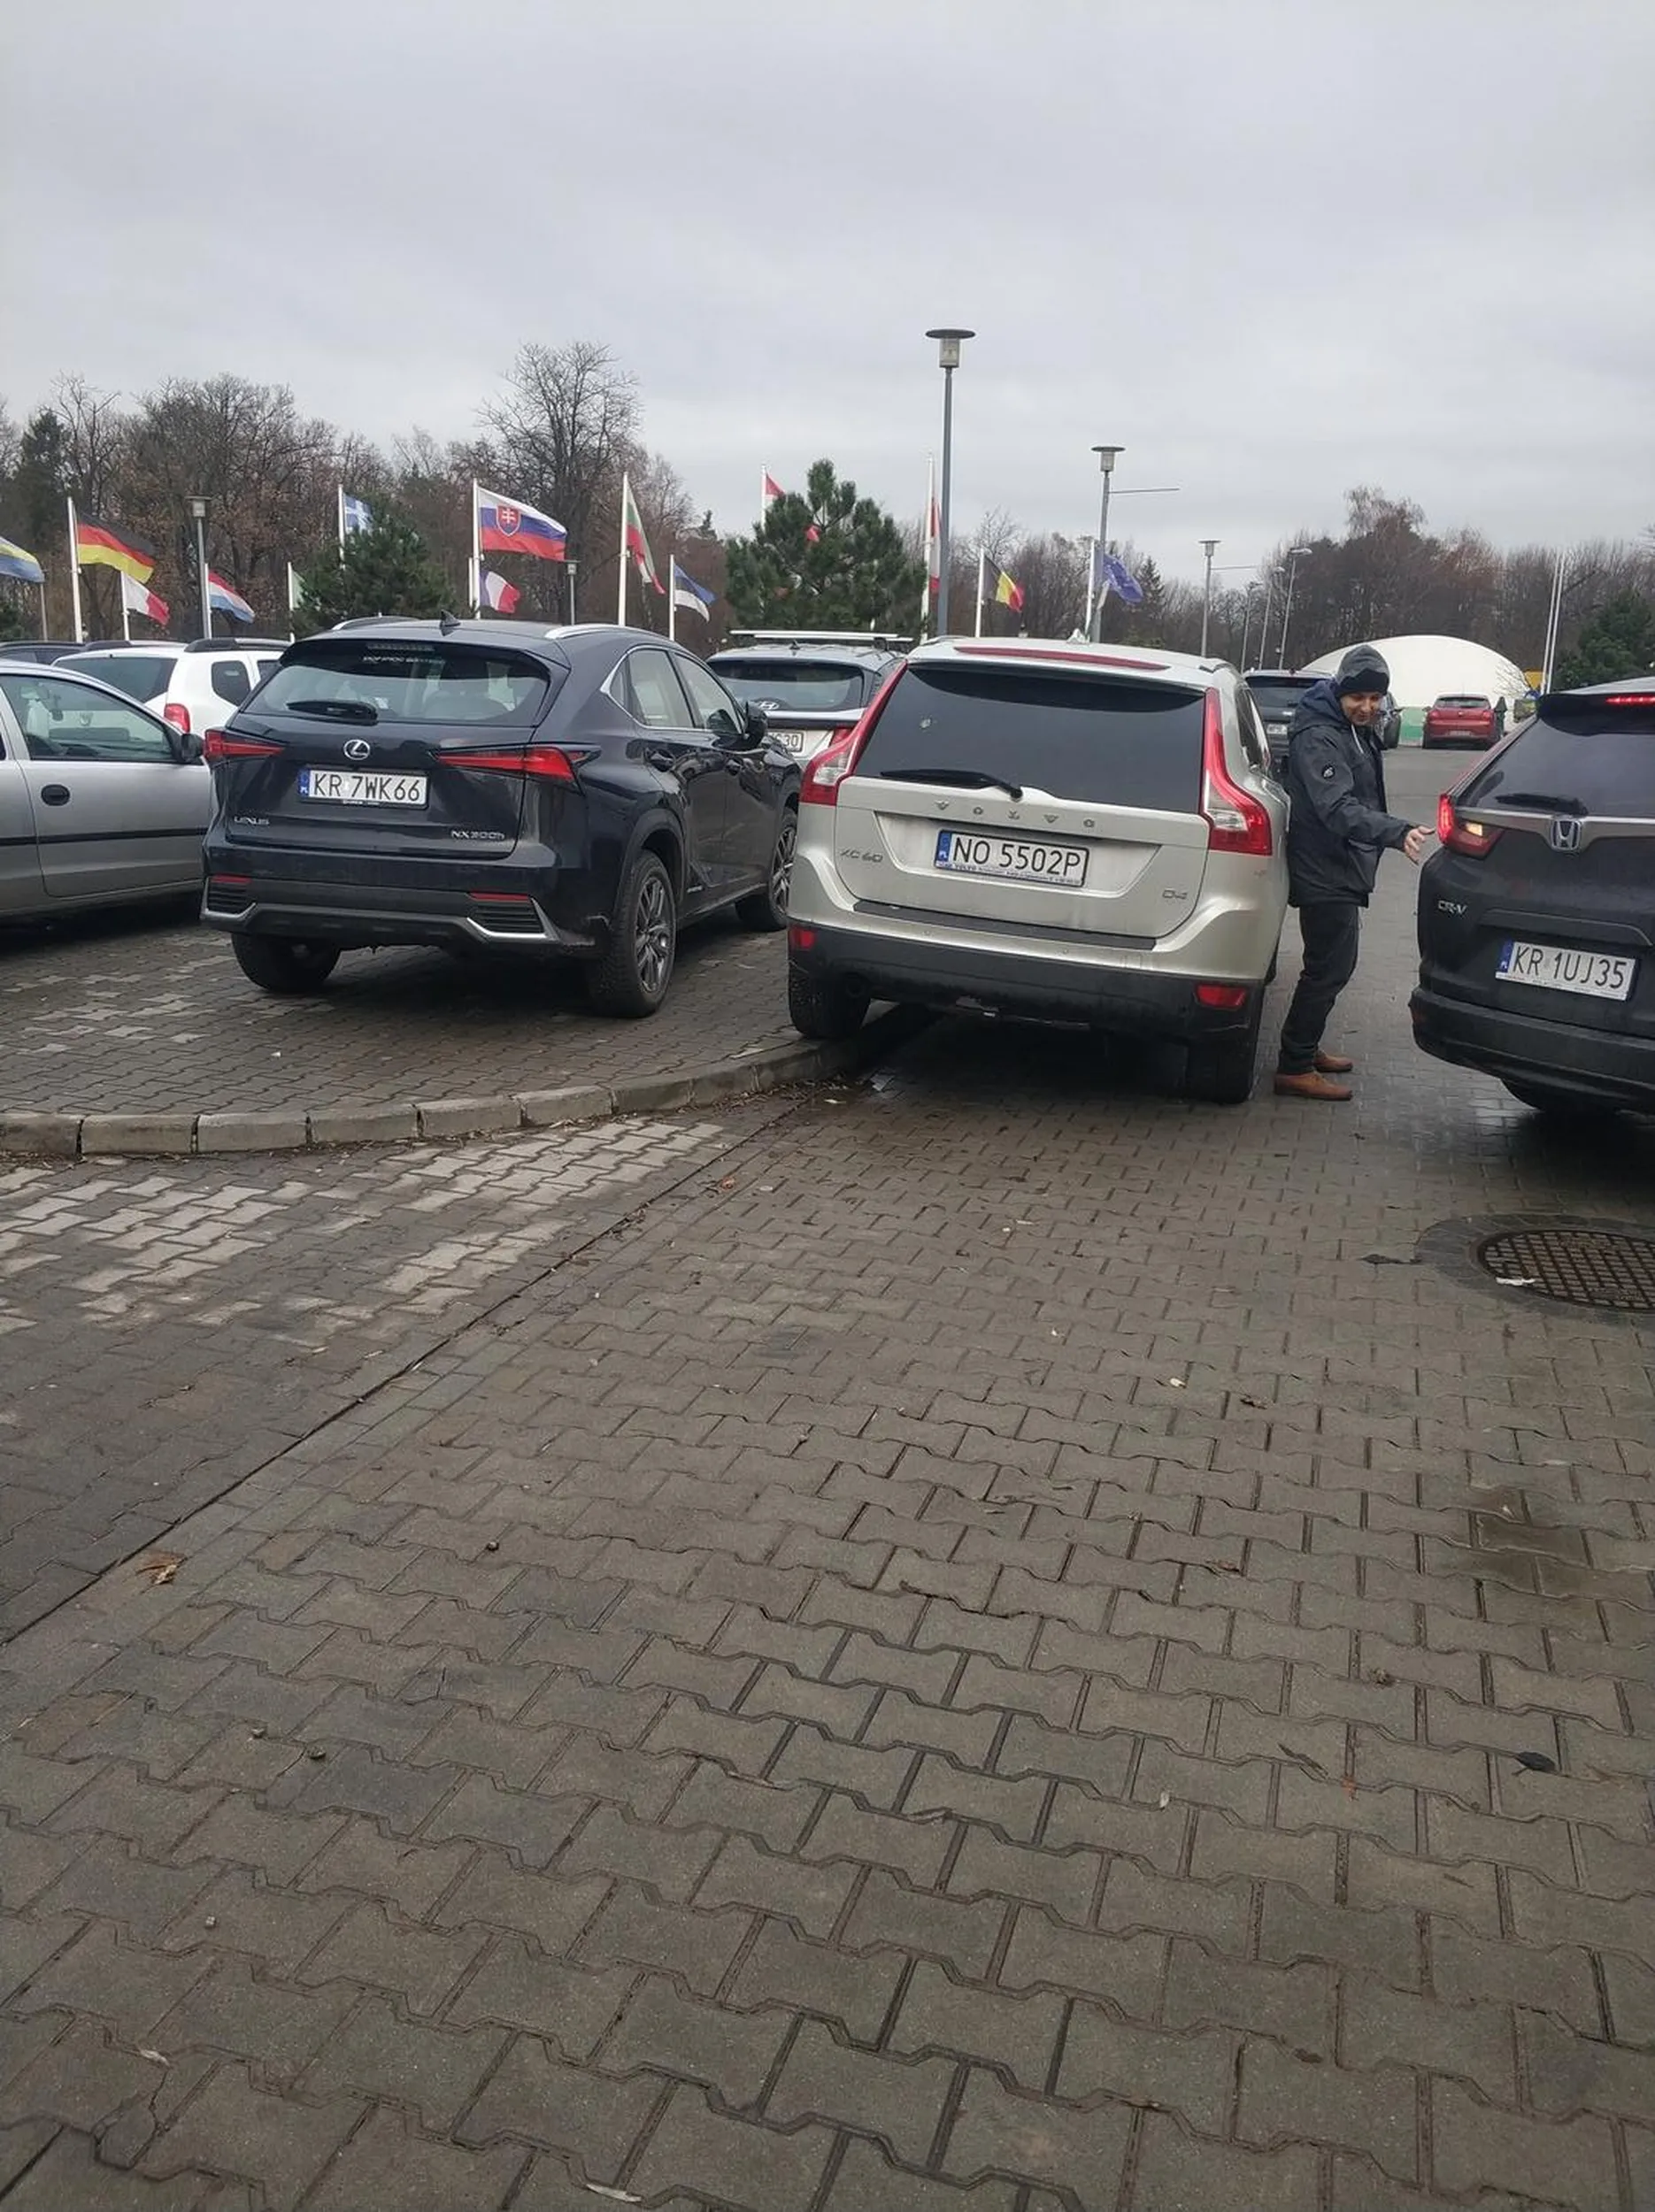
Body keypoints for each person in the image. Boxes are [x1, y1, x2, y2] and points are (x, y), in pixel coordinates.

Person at [1274, 644, 1431, 1102]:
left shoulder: (1352, 729)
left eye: (1374, 698)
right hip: (1323, 866)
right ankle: (1294, 1065)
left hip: (1340, 864)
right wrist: (1395, 832)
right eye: (1357, 697)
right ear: (1339, 693)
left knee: (1326, 965)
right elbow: (1336, 807)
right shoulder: (1320, 736)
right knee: (1330, 967)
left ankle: (1304, 1046)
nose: (1366, 707)